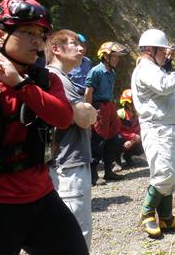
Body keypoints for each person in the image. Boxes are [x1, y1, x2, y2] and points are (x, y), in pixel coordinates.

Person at [0, 0, 88, 255]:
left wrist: (20, 84)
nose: (37, 41)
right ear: (1, 34)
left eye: (40, 33)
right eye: (27, 32)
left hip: (42, 198)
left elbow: (62, 117)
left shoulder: (46, 81)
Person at [132, 28, 175, 238]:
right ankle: (147, 213)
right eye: (163, 50)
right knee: (164, 173)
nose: (166, 54)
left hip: (169, 127)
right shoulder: (146, 68)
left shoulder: (153, 67)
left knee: (172, 173)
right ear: (150, 50)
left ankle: (167, 217)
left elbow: (164, 94)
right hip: (158, 129)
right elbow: (163, 86)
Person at [45, 29, 97, 250]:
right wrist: (87, 110)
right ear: (56, 49)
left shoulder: (61, 78)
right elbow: (85, 118)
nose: (80, 48)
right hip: (68, 164)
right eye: (73, 43)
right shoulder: (56, 78)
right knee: (78, 231)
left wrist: (86, 110)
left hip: (65, 163)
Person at [85, 41, 129, 185]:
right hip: (99, 107)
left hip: (109, 106)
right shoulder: (96, 71)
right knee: (97, 141)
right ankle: (93, 175)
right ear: (105, 57)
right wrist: (88, 110)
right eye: (114, 57)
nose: (117, 59)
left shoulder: (112, 72)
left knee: (113, 139)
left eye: (117, 57)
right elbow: (88, 92)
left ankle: (109, 171)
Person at [117, 89, 143, 168]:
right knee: (115, 139)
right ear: (128, 104)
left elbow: (141, 131)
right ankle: (117, 161)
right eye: (134, 102)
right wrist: (132, 136)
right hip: (121, 139)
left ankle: (127, 156)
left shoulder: (139, 115)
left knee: (144, 141)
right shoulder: (119, 114)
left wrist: (133, 140)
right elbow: (116, 131)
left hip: (132, 139)